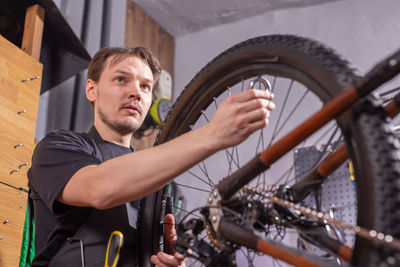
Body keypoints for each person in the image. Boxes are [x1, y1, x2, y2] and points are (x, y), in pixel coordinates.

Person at [27, 46, 275, 267]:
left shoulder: (156, 184)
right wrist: (212, 134)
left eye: (145, 86)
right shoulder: (59, 147)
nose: (137, 92)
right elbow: (100, 188)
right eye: (121, 79)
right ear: (92, 89)